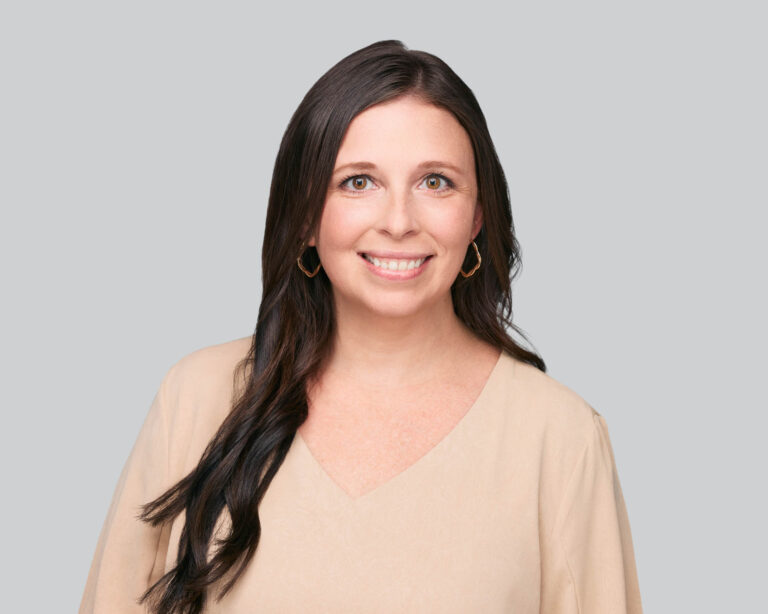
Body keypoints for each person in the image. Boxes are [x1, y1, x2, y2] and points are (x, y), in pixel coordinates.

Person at [79, 40, 643, 614]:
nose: (398, 222)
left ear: (478, 216)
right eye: (357, 182)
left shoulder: (560, 438)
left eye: (436, 182)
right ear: (304, 215)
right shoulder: (196, 398)